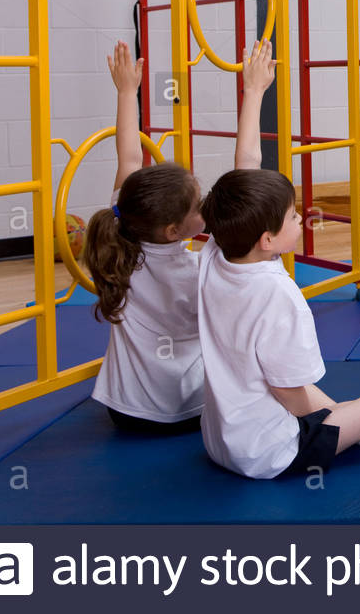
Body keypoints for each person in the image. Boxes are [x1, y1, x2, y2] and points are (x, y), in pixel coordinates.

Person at [196, 115, 360, 480]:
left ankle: (347, 420)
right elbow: (291, 396)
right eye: (294, 217)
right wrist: (336, 418)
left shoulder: (214, 254)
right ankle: (351, 428)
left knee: (299, 384)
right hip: (269, 454)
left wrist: (254, 91)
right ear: (267, 239)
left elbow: (244, 172)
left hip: (219, 441)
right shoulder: (279, 295)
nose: (301, 221)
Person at [84, 40, 270, 433]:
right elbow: (247, 168)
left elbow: (130, 160)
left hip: (126, 412)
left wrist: (125, 93)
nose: (205, 205)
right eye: (197, 205)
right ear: (174, 231)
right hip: (191, 410)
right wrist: (254, 92)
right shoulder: (203, 264)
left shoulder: (124, 233)